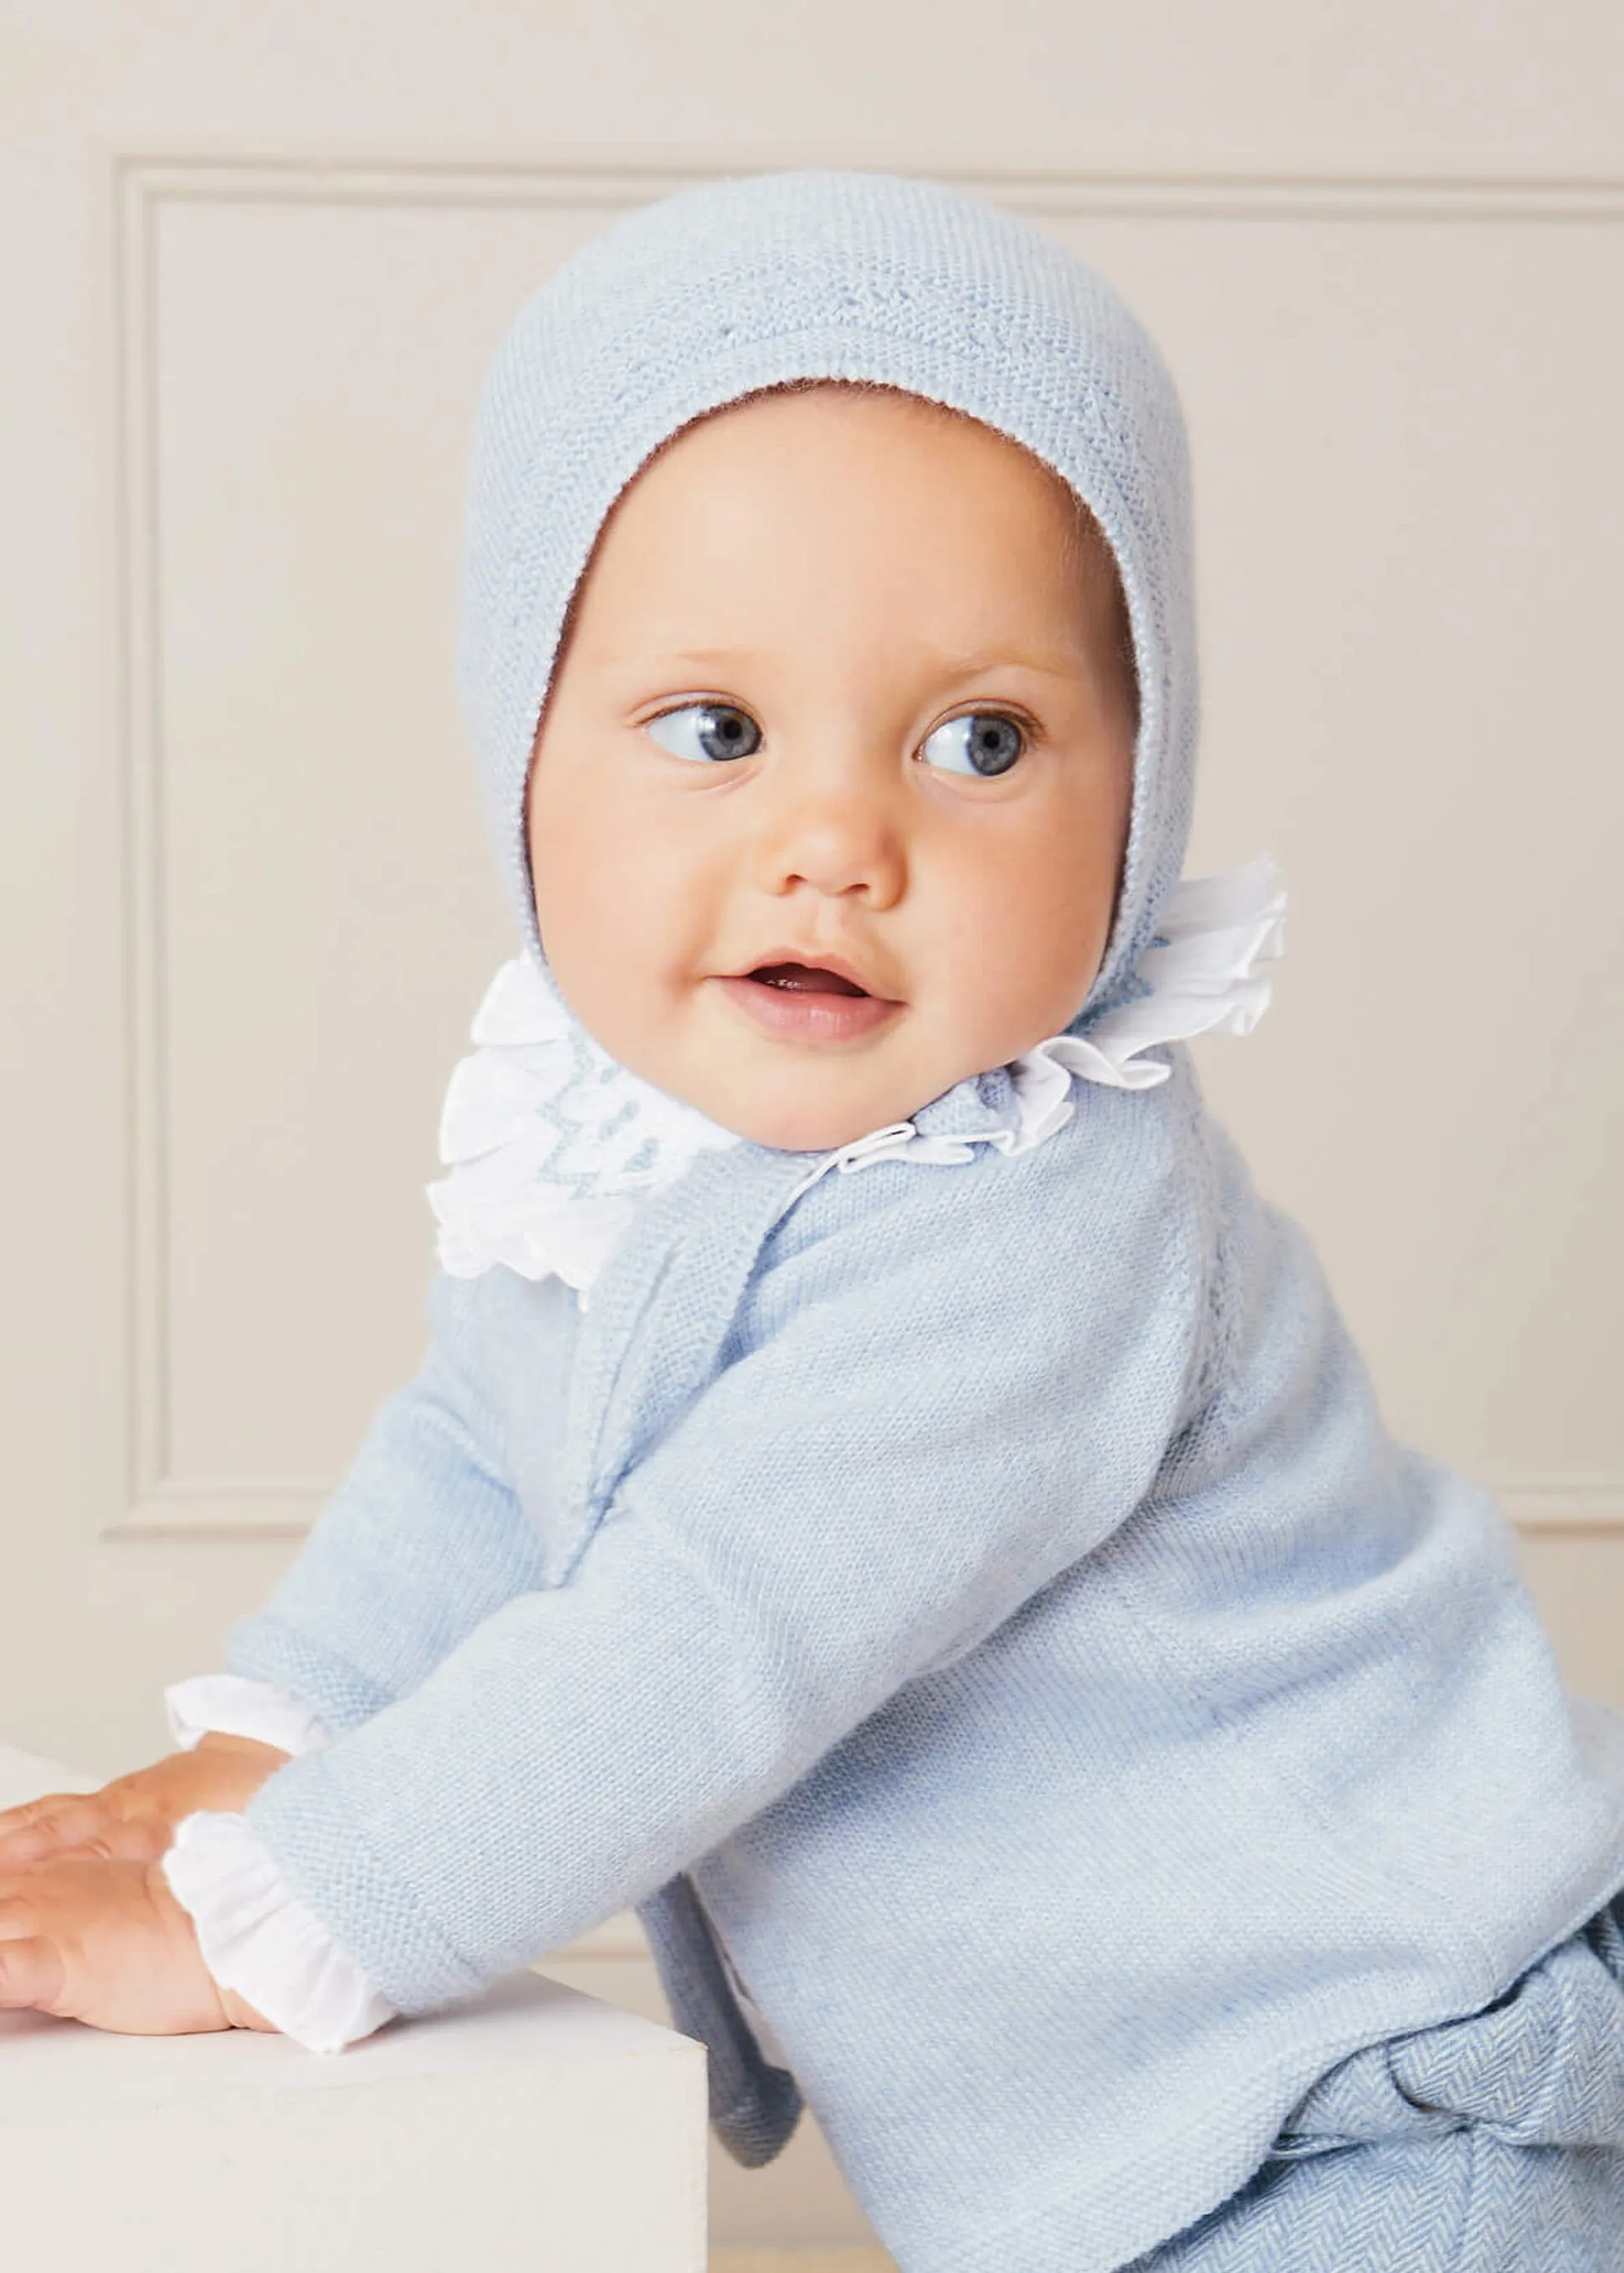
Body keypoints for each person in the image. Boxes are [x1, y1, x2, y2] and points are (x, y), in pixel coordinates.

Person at [2, 171, 1621, 2271]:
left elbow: (714, 1625)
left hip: (1375, 2091)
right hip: (1123, 2134)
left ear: (1143, 788)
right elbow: (480, 1466)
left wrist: (288, 1918)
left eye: (981, 739)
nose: (834, 842)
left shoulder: (1047, 1206)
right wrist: (254, 1756)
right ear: (525, 751)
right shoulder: (603, 1141)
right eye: (714, 729)